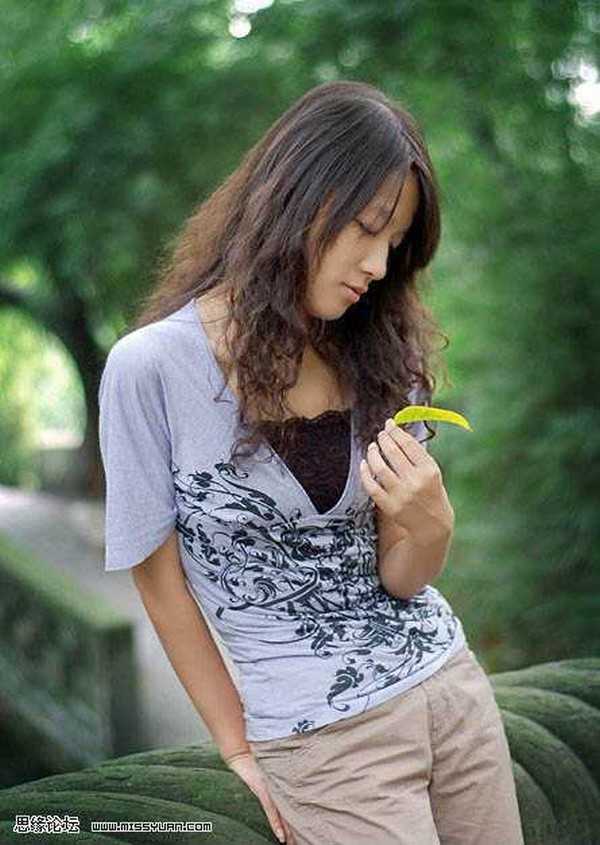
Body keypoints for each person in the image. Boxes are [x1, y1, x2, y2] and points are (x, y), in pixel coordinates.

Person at [98, 80, 524, 845]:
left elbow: (400, 577)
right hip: (324, 740)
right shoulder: (152, 369)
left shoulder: (383, 359)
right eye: (368, 226)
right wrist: (238, 746)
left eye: (395, 243)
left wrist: (432, 525)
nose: (378, 263)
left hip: (453, 691)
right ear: (297, 194)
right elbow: (159, 584)